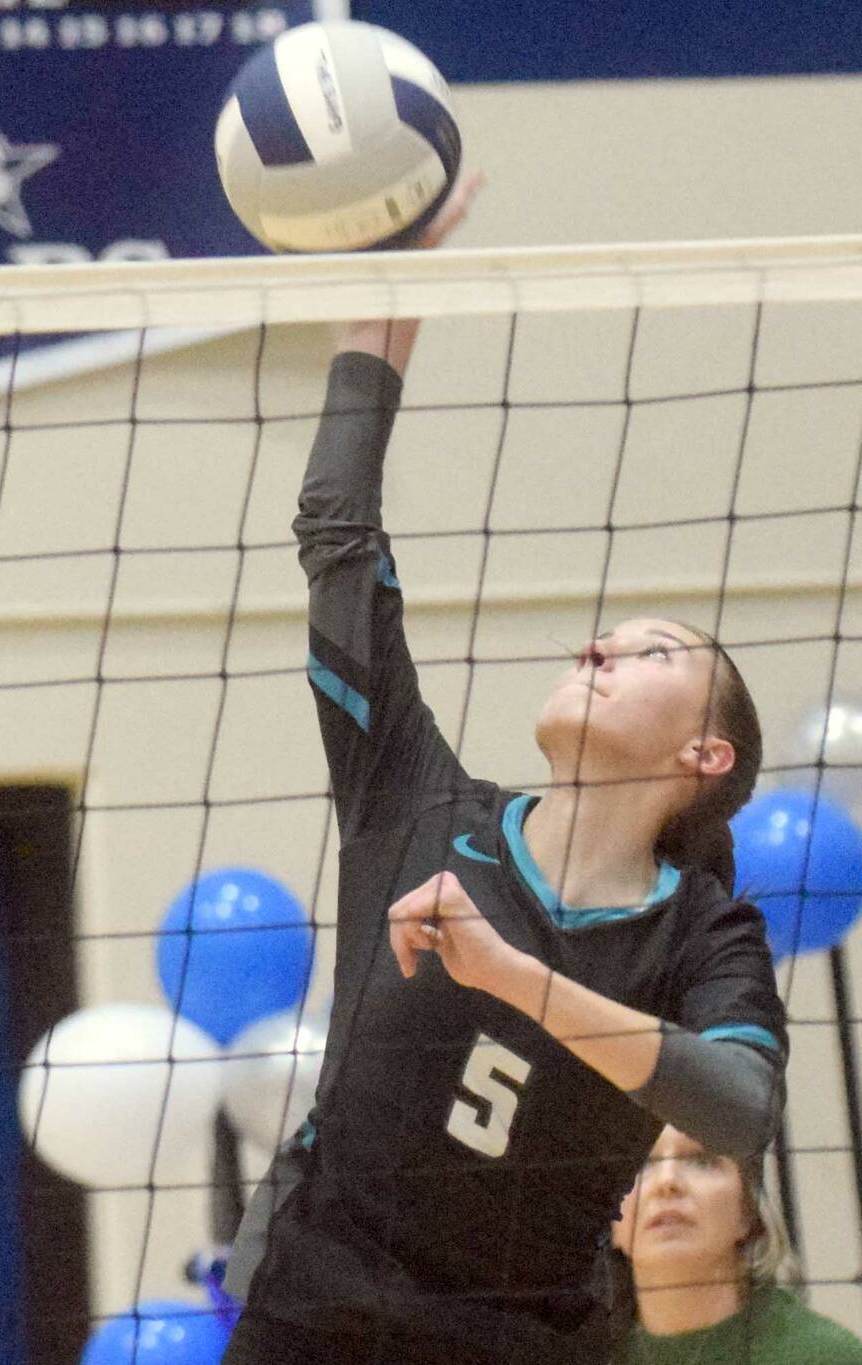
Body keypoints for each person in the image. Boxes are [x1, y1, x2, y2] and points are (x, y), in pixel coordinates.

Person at [221, 177, 790, 1365]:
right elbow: (335, 534)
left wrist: (515, 977)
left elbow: (737, 1108)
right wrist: (372, 326)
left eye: (650, 652)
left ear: (705, 753)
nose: (597, 644)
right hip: (319, 1313)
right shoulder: (415, 799)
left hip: (523, 1341)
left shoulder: (700, 934)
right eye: (606, 635)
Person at [613, 1125, 862, 1364]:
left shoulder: (822, 1355)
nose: (667, 1182)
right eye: (640, 1163)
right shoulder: (585, 1352)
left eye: (702, 1161)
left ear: (748, 1211)